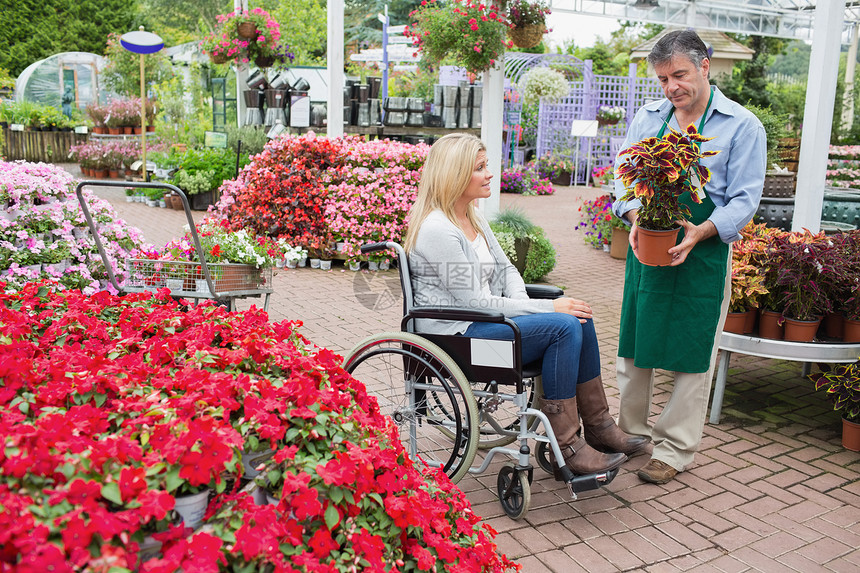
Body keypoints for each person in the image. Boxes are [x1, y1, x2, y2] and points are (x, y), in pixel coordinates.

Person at [404, 133, 648, 480]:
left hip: (480, 327)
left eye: (487, 165)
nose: (490, 174)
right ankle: (567, 445)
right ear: (453, 175)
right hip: (457, 343)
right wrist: (547, 310)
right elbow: (475, 301)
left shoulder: (472, 217)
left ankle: (598, 426)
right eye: (479, 168)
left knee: (577, 316)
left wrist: (532, 305)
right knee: (562, 324)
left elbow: (507, 271)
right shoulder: (437, 231)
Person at [612, 30, 766, 484]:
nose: (670, 87)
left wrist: (701, 230)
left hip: (705, 251)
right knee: (634, 346)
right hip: (650, 242)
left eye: (678, 74)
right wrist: (637, 214)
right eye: (662, 79)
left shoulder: (741, 125)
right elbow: (622, 176)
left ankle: (675, 449)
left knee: (693, 351)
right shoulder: (649, 117)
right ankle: (632, 434)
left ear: (705, 65)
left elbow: (743, 198)